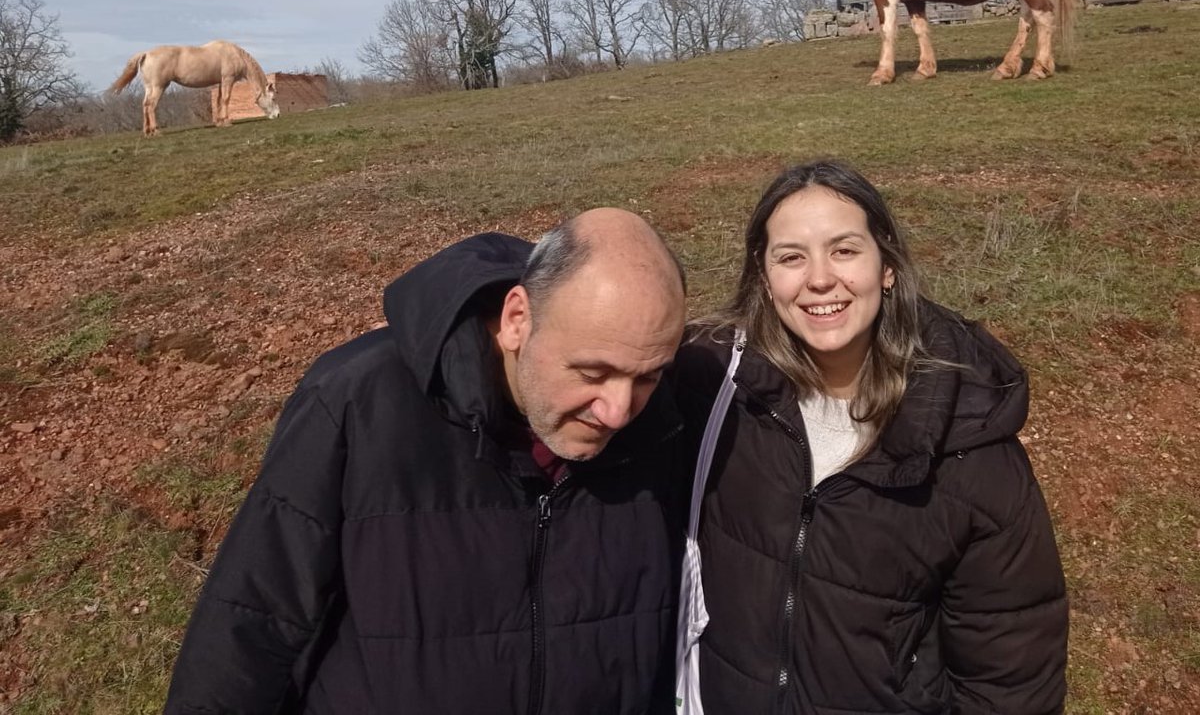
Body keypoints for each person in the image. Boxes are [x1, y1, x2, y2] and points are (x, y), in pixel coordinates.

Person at [164, 208, 692, 714]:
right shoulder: (360, 402)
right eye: (593, 373)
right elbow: (254, 616)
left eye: (647, 376)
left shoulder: (664, 422)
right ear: (517, 319)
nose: (618, 411)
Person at [674, 161, 1068, 714]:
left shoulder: (964, 437)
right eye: (791, 257)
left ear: (887, 266)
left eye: (844, 250)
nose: (819, 279)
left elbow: (1010, 676)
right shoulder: (713, 393)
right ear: (764, 277)